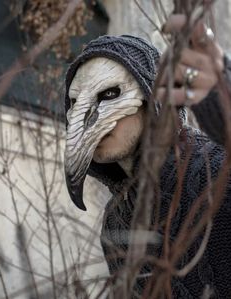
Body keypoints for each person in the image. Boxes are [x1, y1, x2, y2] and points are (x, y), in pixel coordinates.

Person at [64, 13, 231, 298]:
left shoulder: (215, 172)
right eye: (73, 102)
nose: (84, 118)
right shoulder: (116, 220)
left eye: (110, 94)